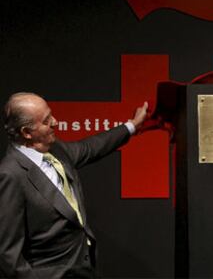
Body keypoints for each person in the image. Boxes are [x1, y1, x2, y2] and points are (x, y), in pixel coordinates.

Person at [0, 92, 149, 278]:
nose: (55, 122)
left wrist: (132, 126)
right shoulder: (10, 175)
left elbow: (92, 147)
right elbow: (8, 254)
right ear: (27, 133)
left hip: (84, 270)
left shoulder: (57, 150)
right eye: (46, 121)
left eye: (51, 115)